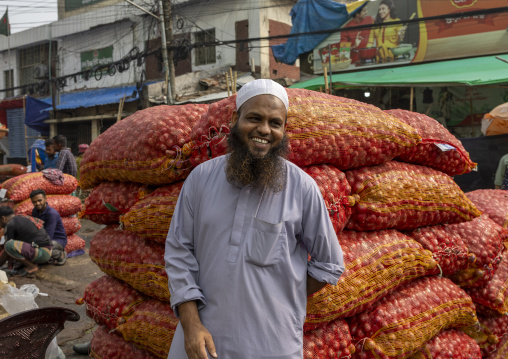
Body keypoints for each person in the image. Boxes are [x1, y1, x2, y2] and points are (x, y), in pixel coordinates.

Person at [165, 79, 345, 359]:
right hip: (202, 343)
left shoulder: (302, 187)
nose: (264, 130)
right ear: (236, 119)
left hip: (273, 345)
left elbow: (329, 264)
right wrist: (191, 324)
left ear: (284, 130)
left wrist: (284, 292)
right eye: (254, 118)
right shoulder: (200, 179)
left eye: (275, 123)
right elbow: (178, 253)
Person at [0, 206, 52, 277]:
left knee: (9, 245)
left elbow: (7, 250)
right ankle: (27, 264)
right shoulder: (22, 218)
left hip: (42, 253)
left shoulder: (10, 224)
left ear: (3, 218)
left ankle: (31, 266)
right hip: (47, 251)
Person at [30, 189, 67, 266]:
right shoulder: (35, 211)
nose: (37, 203)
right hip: (43, 238)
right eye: (34, 202)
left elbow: (49, 236)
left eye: (40, 200)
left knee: (39, 251)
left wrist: (36, 244)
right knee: (30, 248)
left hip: (57, 239)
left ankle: (60, 254)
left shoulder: (51, 214)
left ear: (45, 199)